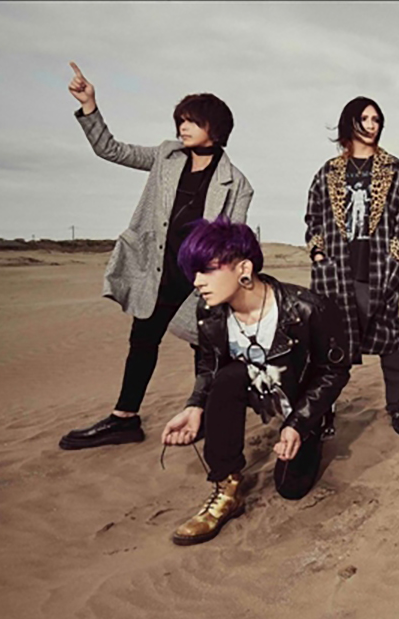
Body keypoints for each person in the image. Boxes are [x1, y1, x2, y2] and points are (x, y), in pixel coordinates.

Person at [58, 61, 254, 450]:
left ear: (215, 129)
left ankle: (204, 416)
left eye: (192, 121)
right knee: (142, 340)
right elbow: (111, 149)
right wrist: (89, 105)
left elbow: (233, 241)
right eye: (180, 120)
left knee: (206, 347)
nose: (182, 127)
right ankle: (124, 419)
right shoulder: (166, 156)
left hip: (198, 280)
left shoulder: (237, 184)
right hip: (157, 270)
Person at [160, 217, 350, 545]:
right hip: (252, 387)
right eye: (194, 272)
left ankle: (313, 433)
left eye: (206, 270)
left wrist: (299, 423)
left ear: (244, 269)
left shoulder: (308, 308)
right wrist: (195, 406)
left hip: (298, 398)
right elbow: (209, 365)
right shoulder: (209, 311)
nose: (197, 281)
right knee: (227, 378)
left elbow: (334, 371)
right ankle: (226, 488)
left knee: (291, 488)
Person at [305, 97, 399, 437]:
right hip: (335, 270)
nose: (371, 125)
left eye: (376, 119)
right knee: (328, 343)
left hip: (378, 267)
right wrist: (318, 254)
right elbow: (313, 215)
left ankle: (397, 406)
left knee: (389, 337)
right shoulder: (328, 171)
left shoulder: (395, 169)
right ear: (349, 123)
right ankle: (323, 409)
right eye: (364, 118)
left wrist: (395, 258)